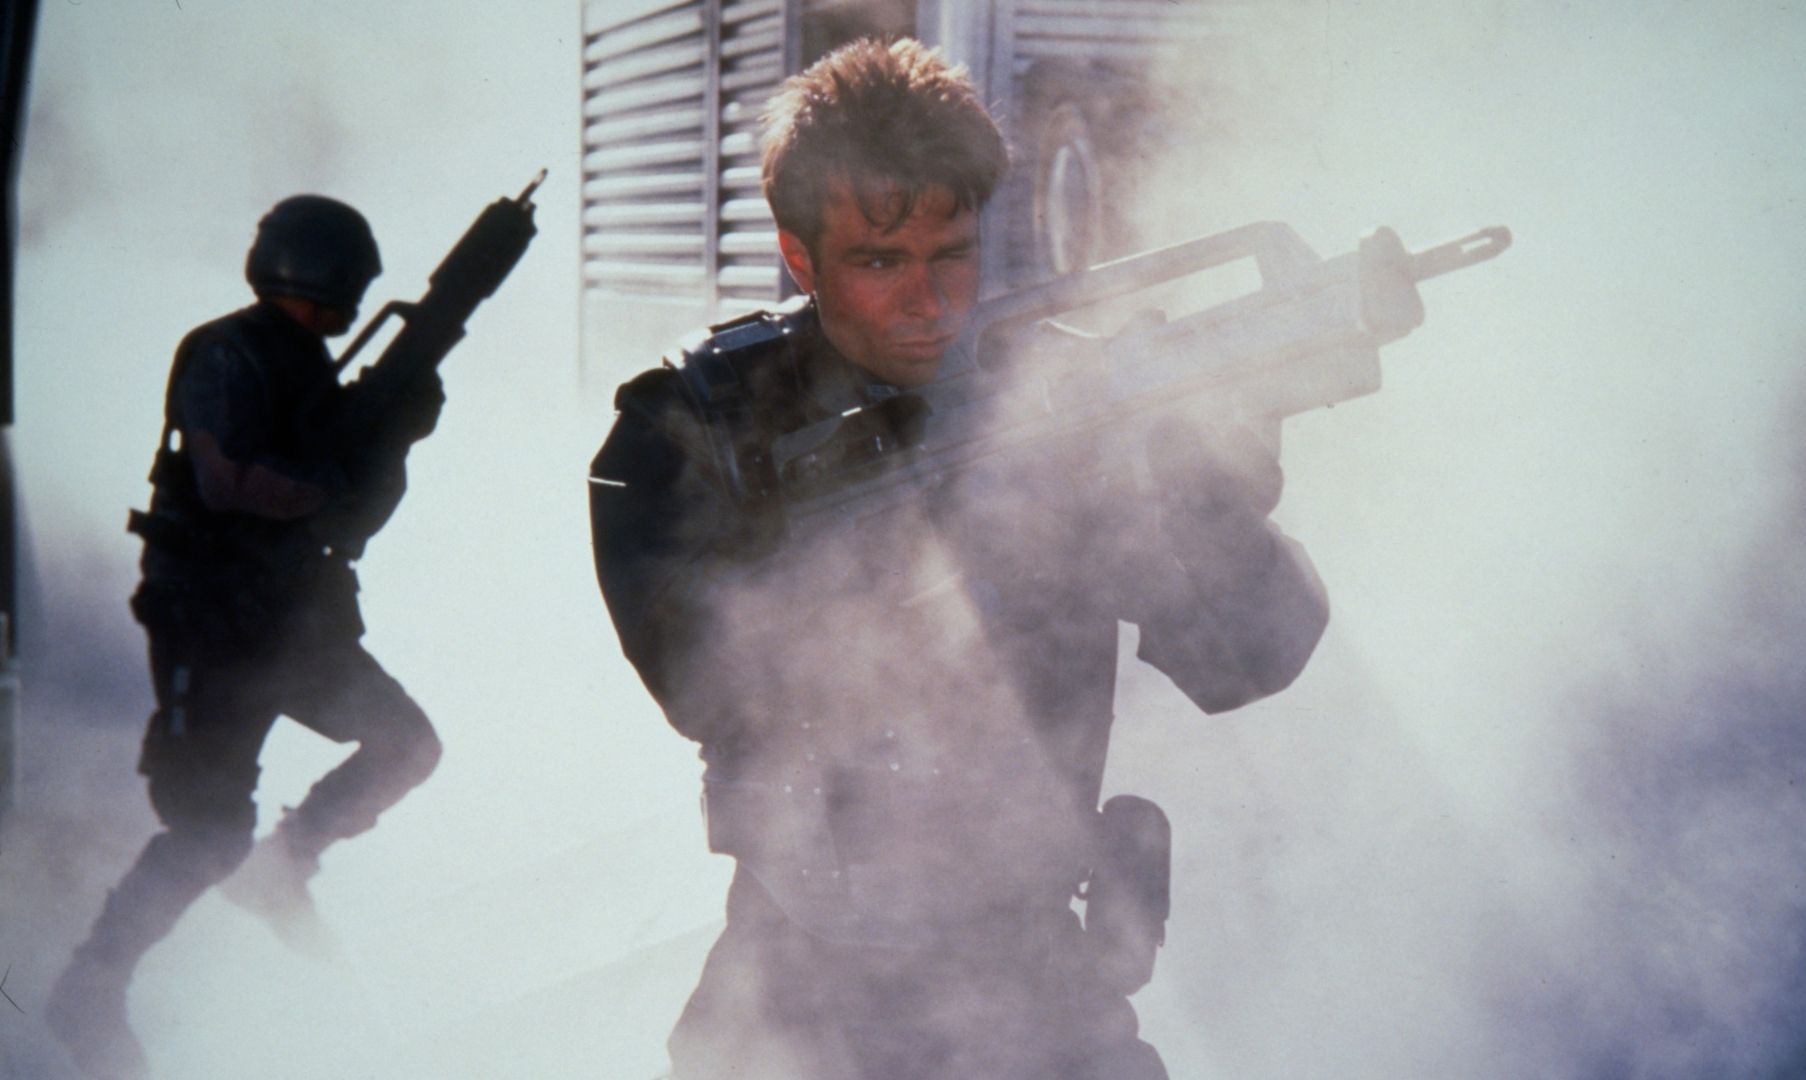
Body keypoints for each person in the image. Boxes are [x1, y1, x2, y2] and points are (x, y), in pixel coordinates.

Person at [589, 38, 1329, 1080]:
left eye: (953, 254)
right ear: (800, 257)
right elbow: (715, 684)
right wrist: (979, 515)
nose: (929, 301)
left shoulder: (1056, 395)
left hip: (1036, 980)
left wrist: (1185, 483)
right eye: (879, 262)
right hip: (802, 987)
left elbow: (1254, 657)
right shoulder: (693, 429)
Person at [47, 194, 445, 1080]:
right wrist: (339, 470)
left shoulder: (305, 364)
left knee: (405, 744)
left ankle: (286, 865)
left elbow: (350, 521)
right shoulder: (226, 353)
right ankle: (90, 988)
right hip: (213, 626)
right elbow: (229, 482)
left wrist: (393, 436)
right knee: (207, 832)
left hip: (290, 621)